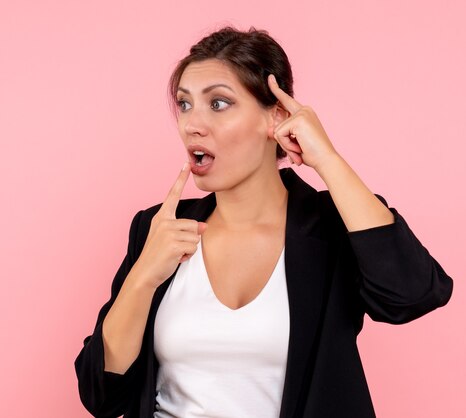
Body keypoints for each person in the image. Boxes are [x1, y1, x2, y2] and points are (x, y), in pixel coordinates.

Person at [74, 26, 453, 418]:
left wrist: (328, 160)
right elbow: (101, 395)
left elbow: (412, 295)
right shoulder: (159, 227)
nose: (192, 124)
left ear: (275, 116)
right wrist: (143, 278)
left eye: (218, 104)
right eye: (185, 105)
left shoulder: (333, 225)